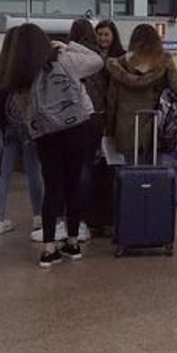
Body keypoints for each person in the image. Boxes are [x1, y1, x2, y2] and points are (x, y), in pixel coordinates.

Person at [4, 24, 104, 267]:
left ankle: (49, 249)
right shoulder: (63, 59)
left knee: (53, 186)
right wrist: (68, 45)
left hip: (46, 133)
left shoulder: (19, 73)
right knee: (73, 183)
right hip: (75, 127)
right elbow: (96, 61)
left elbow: (23, 109)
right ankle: (73, 242)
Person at [104, 24, 177, 164]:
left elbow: (112, 101)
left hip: (126, 130)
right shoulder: (163, 61)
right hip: (156, 129)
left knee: (129, 177)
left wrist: (110, 131)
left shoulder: (119, 65)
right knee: (155, 176)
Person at [0, 27, 43, 237]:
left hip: (4, 128)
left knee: (2, 173)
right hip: (28, 128)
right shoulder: (28, 69)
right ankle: (38, 218)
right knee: (34, 171)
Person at [69, 19, 109, 243]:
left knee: (69, 170)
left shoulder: (65, 56)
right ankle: (85, 219)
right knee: (87, 168)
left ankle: (68, 219)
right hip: (94, 117)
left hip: (69, 119)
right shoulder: (99, 58)